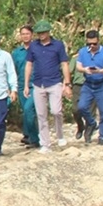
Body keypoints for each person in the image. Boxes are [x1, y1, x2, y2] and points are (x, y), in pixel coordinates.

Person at [22, 20, 71, 152]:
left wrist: (67, 83)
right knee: (41, 114)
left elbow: (64, 63)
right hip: (38, 84)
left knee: (56, 110)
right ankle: (45, 144)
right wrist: (26, 84)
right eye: (39, 32)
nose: (41, 34)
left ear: (49, 32)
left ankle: (60, 135)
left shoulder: (58, 45)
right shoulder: (33, 46)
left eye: (44, 32)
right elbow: (29, 64)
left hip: (54, 82)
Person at [76, 29, 103, 145]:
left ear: (98, 41)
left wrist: (100, 71)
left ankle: (102, 137)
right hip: (88, 84)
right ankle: (91, 122)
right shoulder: (83, 52)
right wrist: (85, 69)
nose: (92, 46)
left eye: (94, 43)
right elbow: (78, 66)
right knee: (81, 107)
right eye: (89, 43)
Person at [11, 25, 39, 148]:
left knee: (29, 109)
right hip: (22, 84)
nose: (25, 36)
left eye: (27, 33)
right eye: (23, 34)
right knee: (26, 111)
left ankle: (34, 138)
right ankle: (27, 135)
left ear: (32, 35)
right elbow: (13, 70)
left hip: (36, 84)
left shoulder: (37, 49)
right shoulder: (17, 52)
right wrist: (13, 87)